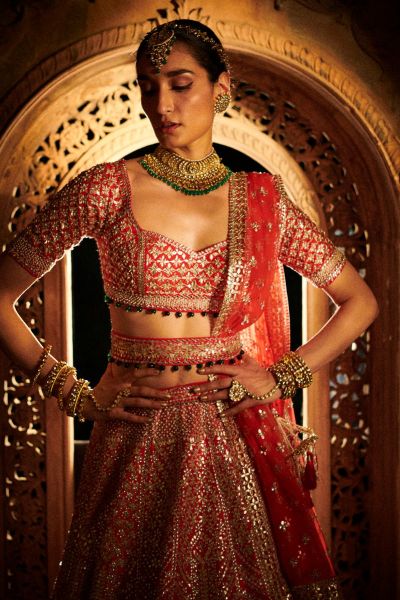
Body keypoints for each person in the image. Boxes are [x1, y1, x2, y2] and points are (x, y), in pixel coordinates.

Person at [0, 18, 378, 600]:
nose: (162, 105)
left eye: (180, 84)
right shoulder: (107, 188)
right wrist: (74, 393)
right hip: (135, 436)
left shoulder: (263, 200)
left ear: (221, 88)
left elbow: (360, 302)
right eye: (148, 87)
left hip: (231, 436)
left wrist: (281, 376)